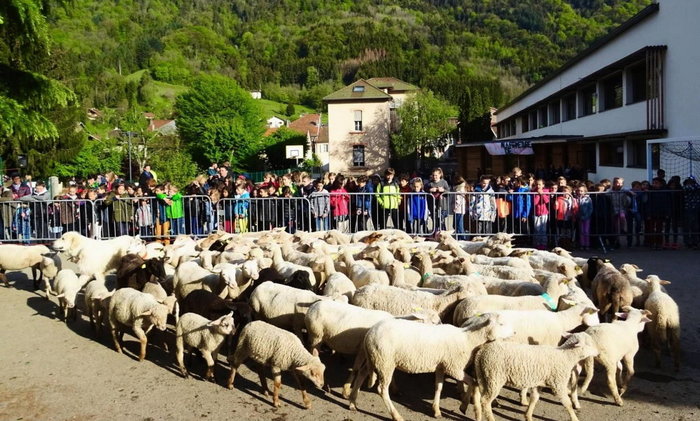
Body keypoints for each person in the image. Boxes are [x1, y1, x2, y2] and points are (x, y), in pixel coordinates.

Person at [532, 179, 550, 250]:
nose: (538, 186)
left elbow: (547, 201)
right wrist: (538, 194)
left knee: (543, 230)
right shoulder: (534, 192)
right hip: (536, 213)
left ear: (543, 185)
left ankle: (543, 244)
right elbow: (535, 203)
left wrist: (542, 194)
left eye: (540, 184)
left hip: (544, 213)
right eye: (537, 184)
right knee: (537, 229)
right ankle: (537, 243)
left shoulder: (546, 191)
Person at [682, 177, 700, 249]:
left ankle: (695, 242)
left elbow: (696, 187)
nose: (690, 183)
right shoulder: (685, 188)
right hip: (687, 209)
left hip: (695, 209)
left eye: (692, 182)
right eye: (689, 182)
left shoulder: (697, 188)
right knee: (687, 227)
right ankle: (687, 242)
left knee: (695, 227)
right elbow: (687, 188)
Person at [575, 185, 593, 251]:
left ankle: (587, 244)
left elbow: (590, 208)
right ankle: (582, 244)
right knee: (581, 231)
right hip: (580, 217)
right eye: (579, 191)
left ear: (585, 192)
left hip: (587, 217)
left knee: (586, 231)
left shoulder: (588, 199)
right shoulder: (576, 198)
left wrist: (587, 216)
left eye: (581, 191)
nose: (580, 192)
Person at [452, 176, 470, 240]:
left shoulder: (460, 188)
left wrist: (455, 207)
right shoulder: (462, 187)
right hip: (459, 208)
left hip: (459, 209)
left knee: (459, 224)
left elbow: (458, 200)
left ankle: (462, 237)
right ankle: (459, 237)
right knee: (457, 224)